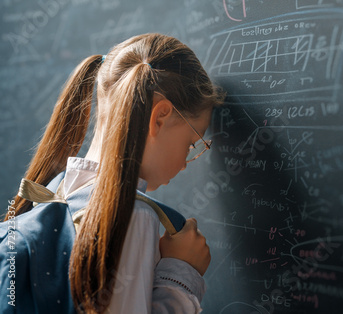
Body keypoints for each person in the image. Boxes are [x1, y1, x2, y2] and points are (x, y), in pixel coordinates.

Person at [5, 33, 224, 313]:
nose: (185, 163)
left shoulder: (56, 191)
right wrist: (181, 272)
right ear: (160, 117)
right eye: (192, 144)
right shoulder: (130, 213)